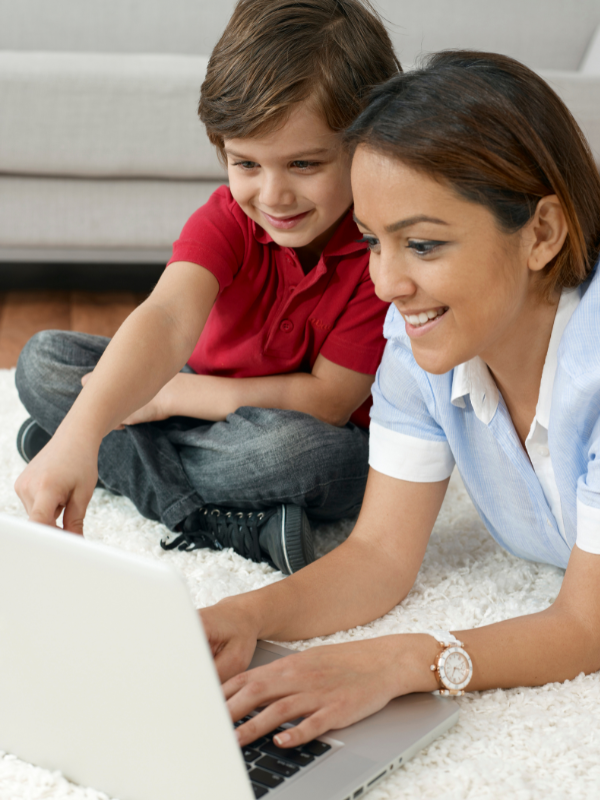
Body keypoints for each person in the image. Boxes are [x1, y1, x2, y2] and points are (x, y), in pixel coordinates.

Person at [192, 51, 600, 752]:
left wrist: (403, 661)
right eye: (373, 243)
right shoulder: (421, 345)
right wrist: (246, 614)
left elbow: (588, 625)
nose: (385, 283)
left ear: (541, 233)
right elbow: (380, 553)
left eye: (422, 244)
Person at [13, 0, 400, 574]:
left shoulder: (383, 250)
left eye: (302, 165)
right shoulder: (227, 219)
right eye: (246, 164)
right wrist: (87, 428)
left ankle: (112, 460)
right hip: (198, 392)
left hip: (303, 430)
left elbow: (327, 401)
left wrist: (162, 399)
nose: (273, 196)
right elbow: (166, 318)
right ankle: (215, 513)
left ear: (367, 145)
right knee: (43, 361)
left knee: (307, 458)